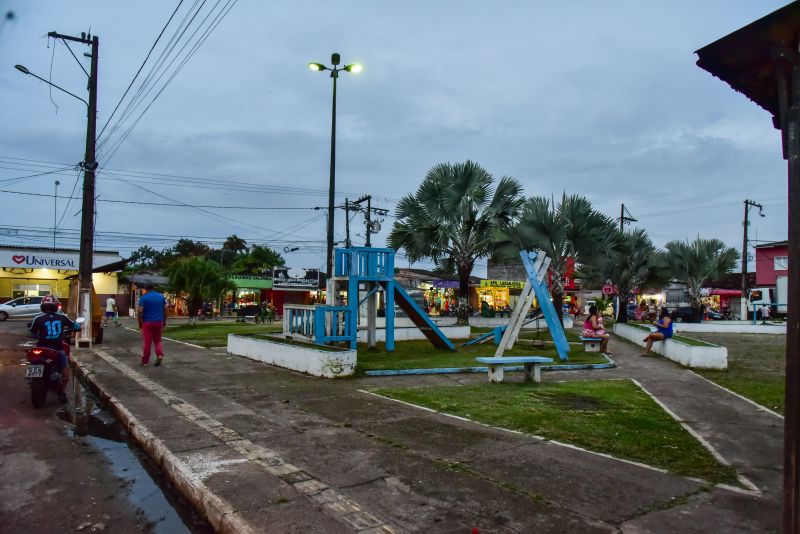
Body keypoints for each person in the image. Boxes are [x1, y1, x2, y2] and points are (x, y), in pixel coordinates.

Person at [29, 295, 81, 403]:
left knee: (33, 359)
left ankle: (32, 378)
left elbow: (32, 333)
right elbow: (76, 327)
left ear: (42, 306)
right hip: (57, 350)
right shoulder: (63, 317)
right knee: (65, 375)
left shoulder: (37, 318)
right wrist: (76, 327)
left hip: (41, 349)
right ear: (56, 306)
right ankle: (61, 394)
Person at [137, 282, 168, 367]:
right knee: (157, 341)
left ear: (145, 289)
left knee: (147, 343)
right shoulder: (161, 297)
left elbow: (140, 311)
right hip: (159, 322)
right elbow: (166, 309)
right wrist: (164, 320)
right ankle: (159, 355)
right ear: (153, 288)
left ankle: (145, 362)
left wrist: (140, 322)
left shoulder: (143, 298)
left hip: (147, 323)